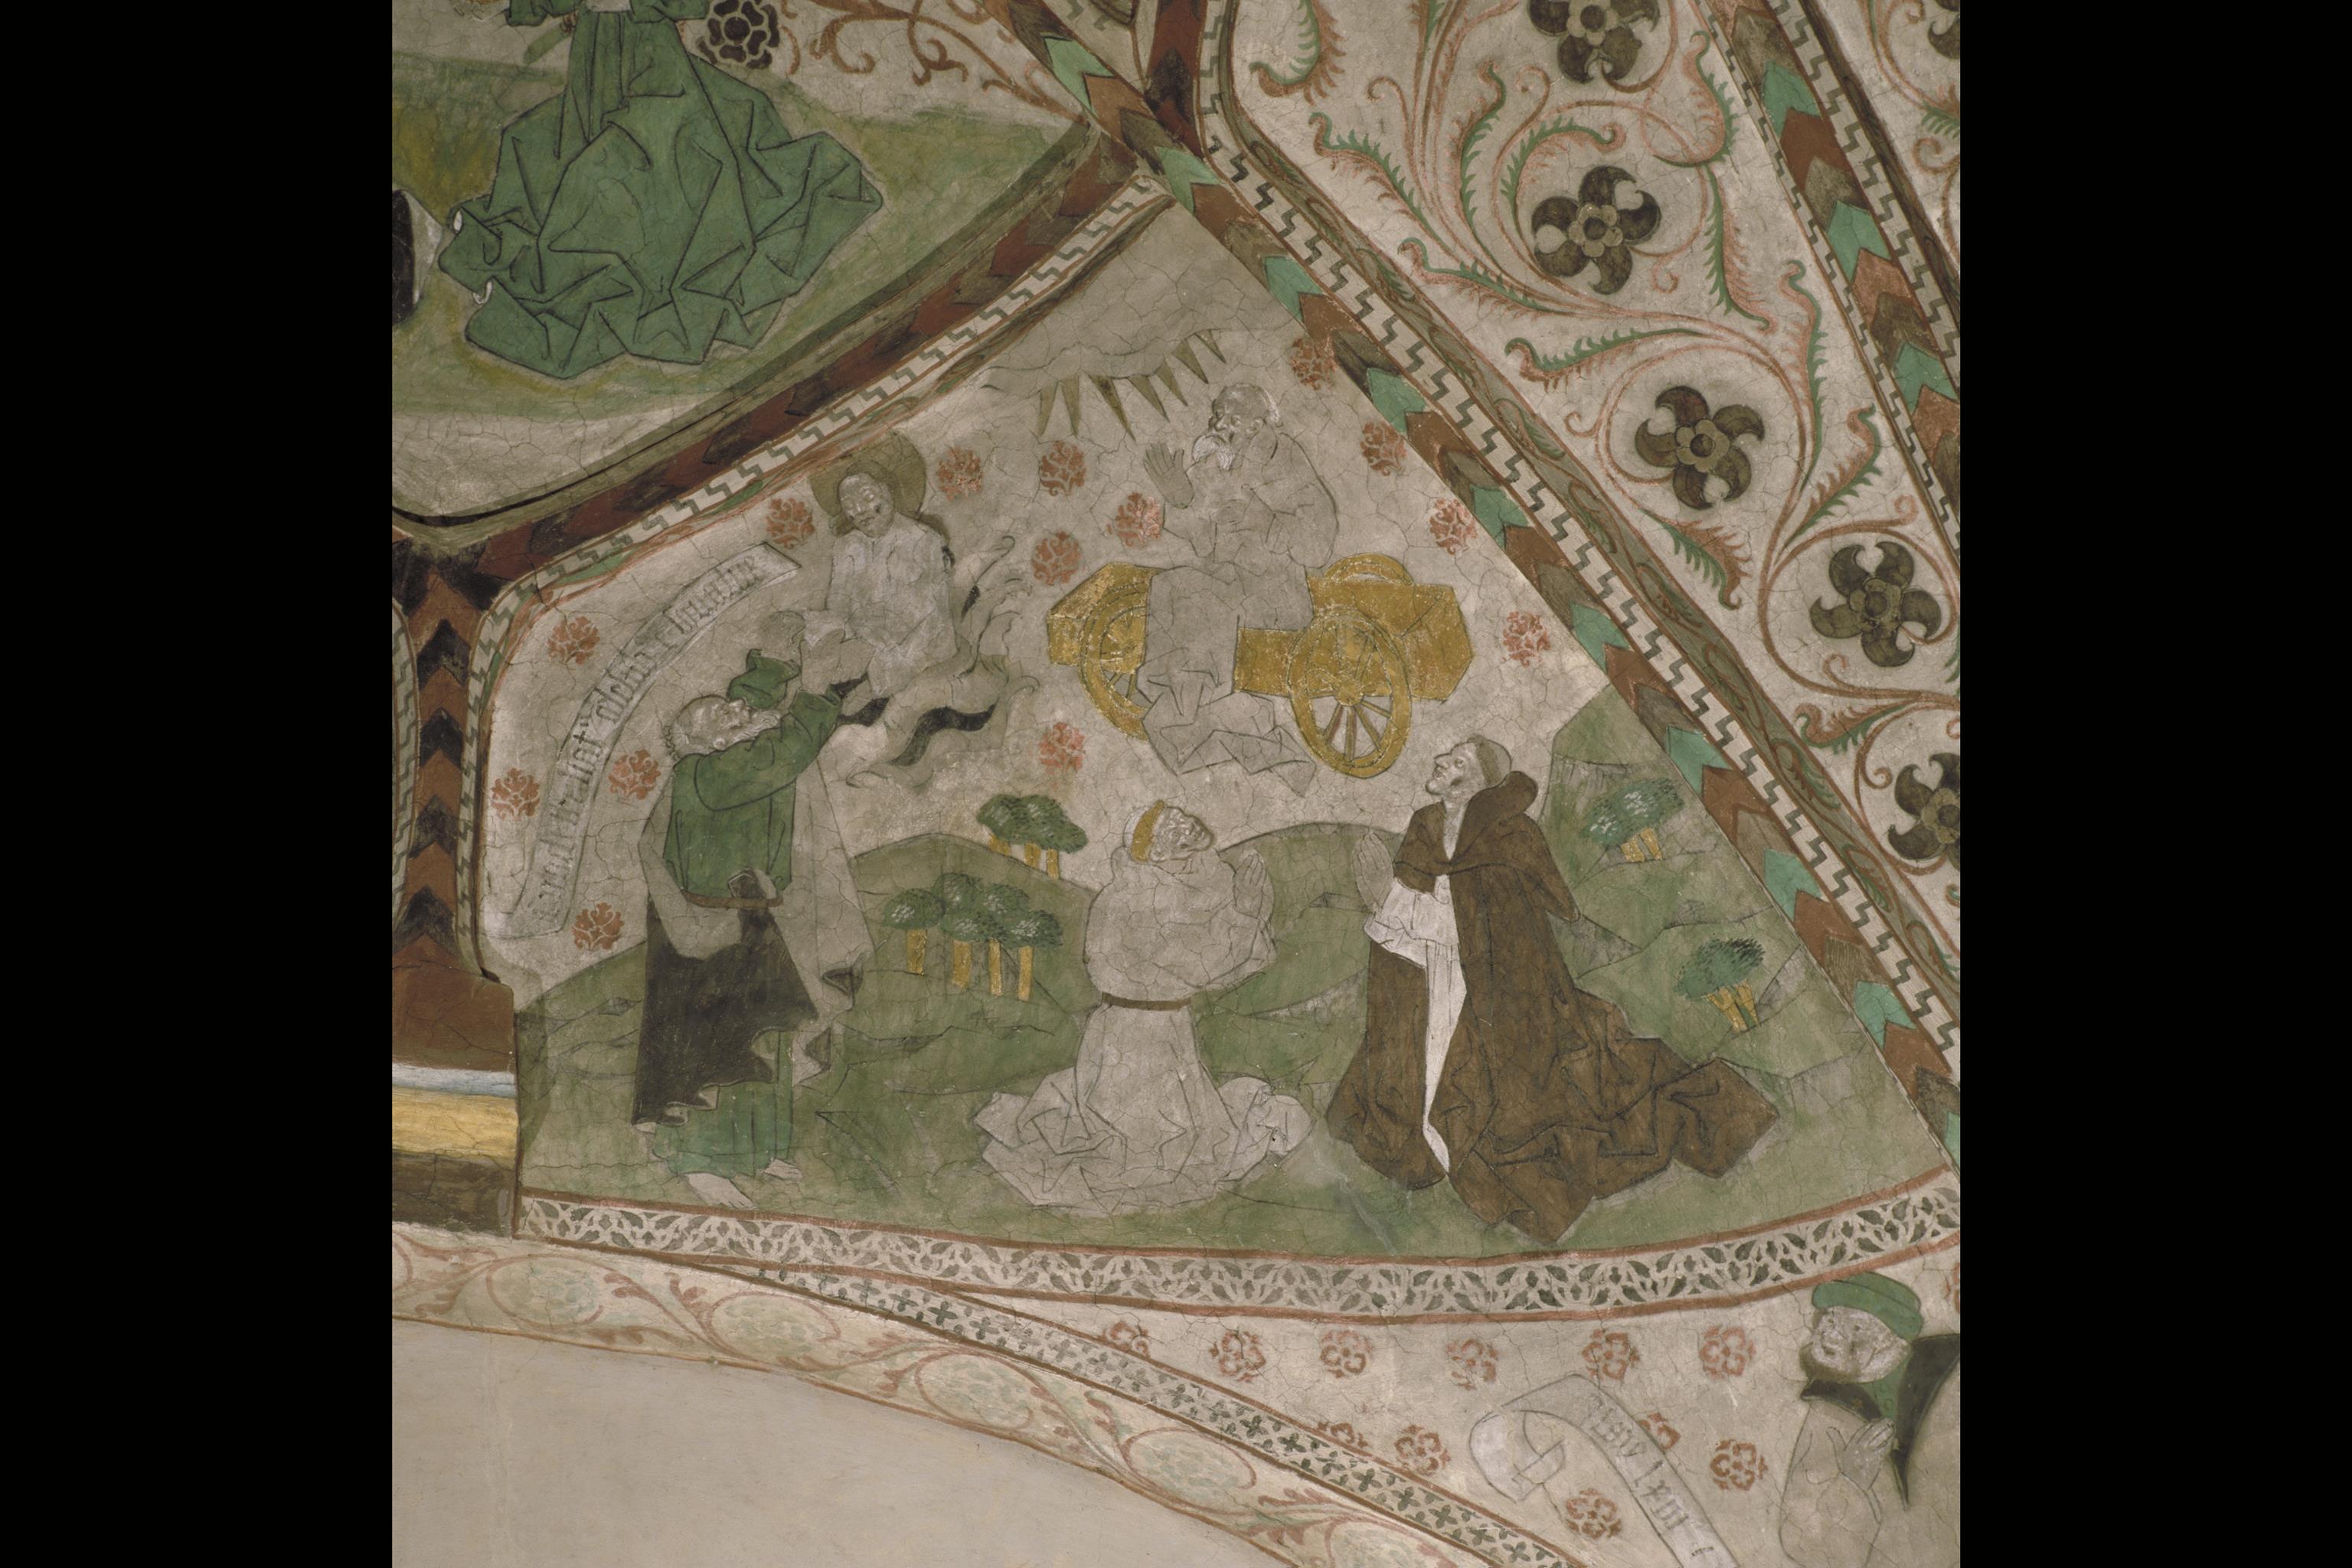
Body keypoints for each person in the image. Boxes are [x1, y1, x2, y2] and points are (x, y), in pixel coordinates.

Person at [1328, 737, 1777, 1244]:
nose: (1440, 762)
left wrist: (1389, 898)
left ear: (1481, 783)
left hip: (1502, 998)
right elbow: (1432, 930)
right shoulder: (1425, 829)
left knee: (1512, 1103)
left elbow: (1485, 925)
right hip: (1440, 984)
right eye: (1446, 756)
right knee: (1419, 1081)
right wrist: (1389, 906)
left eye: (1457, 762)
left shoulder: (1510, 834)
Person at [438, 0, 880, 379]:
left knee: (598, 175)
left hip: (659, 82)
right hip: (595, 76)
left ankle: (542, 284)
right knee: (529, 141)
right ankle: (509, 248)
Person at [973, 802, 1310, 1216]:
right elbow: (1203, 964)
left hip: (1164, 1025)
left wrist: (1247, 913)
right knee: (1139, 1142)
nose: (1192, 864)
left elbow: (1214, 962)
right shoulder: (1134, 902)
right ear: (1158, 854)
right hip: (1136, 1032)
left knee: (1174, 1127)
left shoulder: (1160, 892)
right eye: (1183, 856)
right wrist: (1246, 914)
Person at [631, 635, 867, 1209]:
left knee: (769, 1035)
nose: (738, 712)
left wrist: (774, 665)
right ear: (708, 740)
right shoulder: (708, 774)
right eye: (722, 714)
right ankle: (700, 1161)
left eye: (735, 707)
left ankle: (760, 1149)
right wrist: (819, 695)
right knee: (720, 1048)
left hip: (752, 922)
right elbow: (780, 752)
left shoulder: (729, 760)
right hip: (710, 937)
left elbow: (756, 717)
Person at [1135, 385, 1338, 793]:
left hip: (1275, 594)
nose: (1216, 424)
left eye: (1229, 417)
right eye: (1216, 415)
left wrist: (1265, 520)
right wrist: (1180, 497)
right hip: (1229, 585)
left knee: (1201, 597)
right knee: (1170, 584)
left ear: (1257, 425)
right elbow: (1203, 539)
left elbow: (1318, 541)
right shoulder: (1216, 463)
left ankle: (1193, 717)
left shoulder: (1284, 458)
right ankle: (1187, 710)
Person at [804, 434, 1025, 782]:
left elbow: (933, 620)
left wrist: (880, 672)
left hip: (918, 651)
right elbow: (838, 606)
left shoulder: (923, 541)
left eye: (868, 497)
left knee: (883, 718)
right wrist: (833, 643)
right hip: (865, 651)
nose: (860, 511)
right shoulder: (847, 548)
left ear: (889, 491)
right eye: (849, 503)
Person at [1780, 1272, 1960, 1568]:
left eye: (1855, 1326)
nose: (1830, 1334)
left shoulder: (1951, 1369)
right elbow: (1800, 1542)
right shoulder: (1826, 1409)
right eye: (1830, 1319)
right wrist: (1851, 1481)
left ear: (1888, 1339)